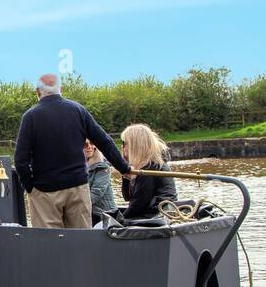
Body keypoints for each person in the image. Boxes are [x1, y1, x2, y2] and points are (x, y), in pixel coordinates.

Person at [13, 73, 131, 228]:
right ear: (60, 89)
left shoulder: (31, 117)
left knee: (48, 244)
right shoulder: (78, 110)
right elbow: (104, 141)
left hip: (45, 190)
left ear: (37, 92)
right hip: (78, 188)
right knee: (81, 243)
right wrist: (124, 168)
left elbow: (20, 160)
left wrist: (30, 187)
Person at [119, 123, 177, 220]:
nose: (122, 147)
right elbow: (128, 197)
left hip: (158, 216)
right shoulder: (144, 166)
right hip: (151, 214)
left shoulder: (150, 168)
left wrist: (119, 220)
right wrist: (125, 174)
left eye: (124, 143)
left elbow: (139, 203)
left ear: (135, 145)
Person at [84, 139, 118, 223]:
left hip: (104, 214)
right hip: (89, 211)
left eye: (92, 143)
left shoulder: (103, 167)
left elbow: (97, 192)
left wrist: (77, 207)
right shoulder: (78, 167)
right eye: (85, 144)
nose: (89, 147)